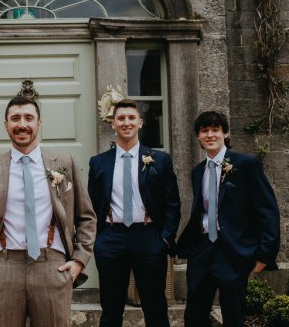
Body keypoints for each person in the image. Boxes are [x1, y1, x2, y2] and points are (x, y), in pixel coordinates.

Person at [0, 95, 96, 327]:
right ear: (6, 125)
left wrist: (79, 262)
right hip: (4, 267)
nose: (22, 124)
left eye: (28, 118)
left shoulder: (64, 162)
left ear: (38, 124)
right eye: (15, 118)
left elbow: (86, 217)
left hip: (52, 266)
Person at [177, 111, 280, 327]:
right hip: (203, 248)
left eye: (215, 130)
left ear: (226, 133)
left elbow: (267, 210)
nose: (210, 135)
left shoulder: (246, 164)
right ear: (198, 136)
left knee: (233, 315)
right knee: (194, 315)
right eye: (205, 131)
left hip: (232, 250)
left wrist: (264, 254)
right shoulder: (198, 172)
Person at [87, 99, 180, 327]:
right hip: (111, 238)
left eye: (131, 118)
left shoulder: (160, 159)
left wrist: (165, 239)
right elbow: (92, 203)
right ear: (113, 124)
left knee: (155, 306)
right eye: (121, 118)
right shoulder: (99, 163)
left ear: (140, 123)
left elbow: (172, 203)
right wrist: (97, 239)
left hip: (149, 237)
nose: (126, 123)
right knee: (111, 308)